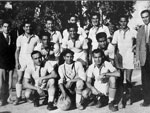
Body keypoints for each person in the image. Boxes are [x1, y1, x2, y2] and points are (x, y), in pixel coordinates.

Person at [112, 15, 137, 107]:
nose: (123, 23)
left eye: (125, 21)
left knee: (128, 79)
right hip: (119, 59)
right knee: (120, 80)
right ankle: (121, 99)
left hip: (129, 57)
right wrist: (114, 58)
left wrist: (134, 47)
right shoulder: (116, 33)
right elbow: (114, 46)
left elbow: (140, 40)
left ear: (127, 22)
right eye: (121, 21)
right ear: (119, 22)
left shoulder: (133, 32)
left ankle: (129, 97)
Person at [14, 21, 40, 105]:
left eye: (29, 26)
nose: (28, 28)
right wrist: (17, 62)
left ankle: (31, 96)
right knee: (20, 78)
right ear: (23, 28)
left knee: (31, 79)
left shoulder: (36, 37)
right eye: (26, 27)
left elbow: (38, 51)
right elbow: (17, 51)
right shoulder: (20, 38)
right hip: (22, 60)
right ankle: (18, 97)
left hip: (31, 60)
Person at [136, 9, 150, 106]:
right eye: (143, 17)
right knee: (145, 80)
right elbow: (138, 45)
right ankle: (147, 100)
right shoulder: (140, 29)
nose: (145, 19)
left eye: (146, 16)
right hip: (144, 58)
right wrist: (137, 58)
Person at [0, 20, 15, 106]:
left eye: (8, 27)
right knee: (1, 83)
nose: (6, 28)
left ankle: (9, 98)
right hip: (1, 63)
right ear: (2, 27)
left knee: (10, 82)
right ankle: (1, 99)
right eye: (5, 27)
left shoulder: (12, 36)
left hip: (10, 63)